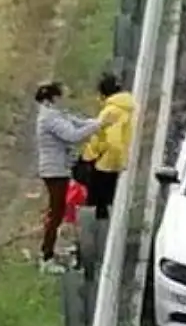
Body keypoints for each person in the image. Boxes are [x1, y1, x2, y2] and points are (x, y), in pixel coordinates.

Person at [33, 82, 103, 274]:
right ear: (53, 98)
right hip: (54, 171)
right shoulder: (49, 118)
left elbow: (77, 122)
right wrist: (98, 126)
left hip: (59, 169)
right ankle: (46, 256)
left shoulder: (55, 114)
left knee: (58, 211)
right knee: (55, 213)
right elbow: (73, 135)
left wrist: (96, 122)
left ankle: (50, 251)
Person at [75, 73, 135, 222]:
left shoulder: (111, 111)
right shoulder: (128, 107)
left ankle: (97, 234)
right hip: (117, 160)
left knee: (97, 205)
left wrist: (96, 155)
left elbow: (110, 139)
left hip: (105, 164)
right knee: (109, 201)